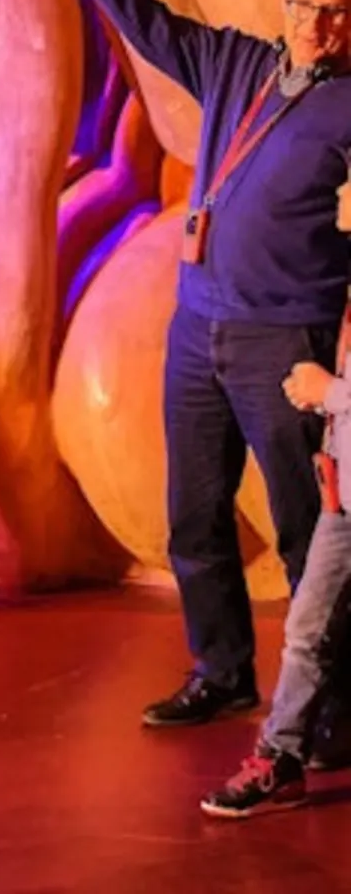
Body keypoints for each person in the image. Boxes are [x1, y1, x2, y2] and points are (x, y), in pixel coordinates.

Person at [29, 0, 351, 731]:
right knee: (193, 514)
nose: (316, 26)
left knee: (304, 529)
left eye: (334, 13)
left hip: (286, 338)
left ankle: (326, 701)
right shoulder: (237, 63)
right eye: (304, 6)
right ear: (284, 3)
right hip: (199, 324)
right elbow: (148, 22)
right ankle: (222, 670)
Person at [201, 238, 351, 817]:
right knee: (306, 629)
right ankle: (280, 757)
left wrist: (328, 392)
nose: (339, 197)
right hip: (344, 501)